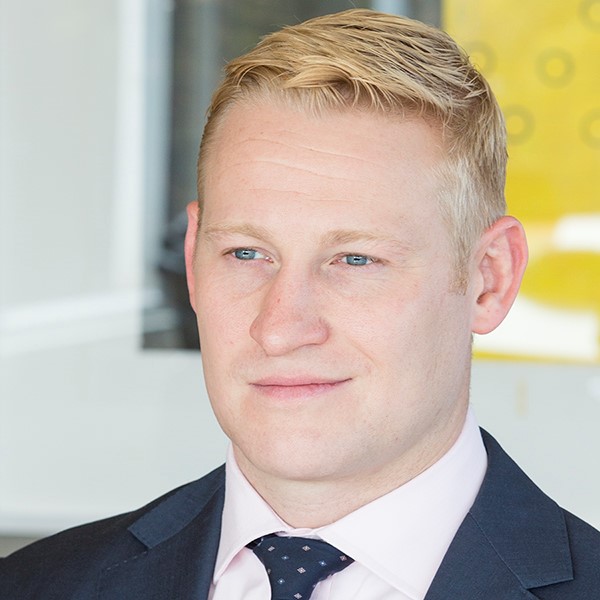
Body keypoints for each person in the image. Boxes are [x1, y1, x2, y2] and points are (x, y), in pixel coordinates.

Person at [1, 8, 599, 599]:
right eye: (245, 253)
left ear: (489, 279)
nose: (280, 328)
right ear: (193, 260)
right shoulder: (34, 586)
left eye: (355, 259)